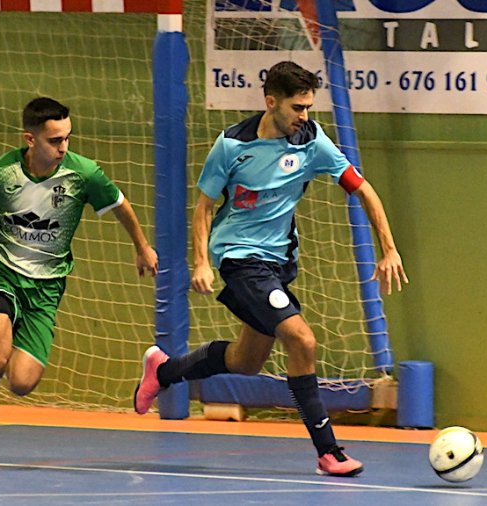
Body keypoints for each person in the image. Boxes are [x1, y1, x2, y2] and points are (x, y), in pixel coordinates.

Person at [134, 61, 407, 477]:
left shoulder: (312, 141)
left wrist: (388, 250)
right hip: (239, 259)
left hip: (279, 264)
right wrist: (203, 261)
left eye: (309, 107)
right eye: (297, 107)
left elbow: (363, 189)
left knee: (246, 362)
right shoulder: (231, 145)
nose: (305, 116)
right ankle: (328, 450)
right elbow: (205, 207)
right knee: (303, 341)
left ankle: (164, 369)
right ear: (270, 102)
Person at [0, 97, 158, 477]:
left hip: (46, 287)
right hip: (0, 273)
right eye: (54, 141)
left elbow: (122, 205)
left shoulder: (84, 174)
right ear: (30, 138)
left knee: (22, 382)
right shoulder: (3, 173)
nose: (63, 148)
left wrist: (142, 247)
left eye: (67, 139)